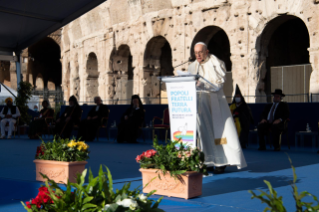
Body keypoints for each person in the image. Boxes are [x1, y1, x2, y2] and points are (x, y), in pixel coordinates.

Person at [188, 42, 247, 174]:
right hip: (200, 105)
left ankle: (221, 161)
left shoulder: (216, 63)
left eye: (200, 52)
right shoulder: (192, 67)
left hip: (215, 104)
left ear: (207, 51)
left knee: (219, 132)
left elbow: (218, 85)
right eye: (195, 52)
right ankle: (207, 161)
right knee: (203, 134)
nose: (197, 55)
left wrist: (202, 84)